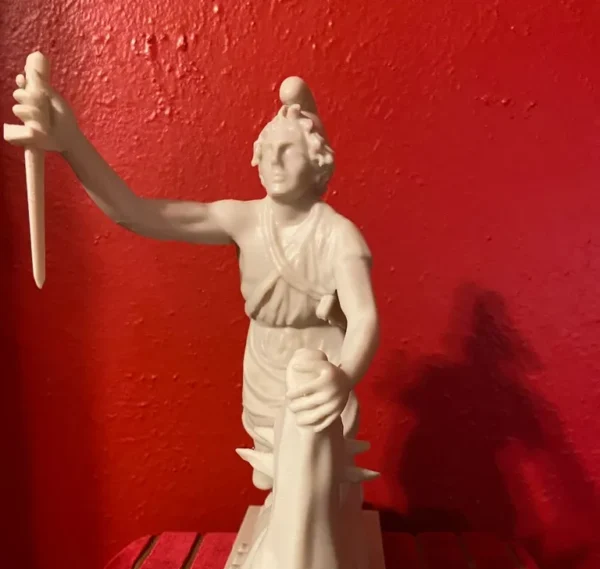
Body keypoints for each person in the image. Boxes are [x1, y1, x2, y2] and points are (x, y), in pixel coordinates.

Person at [7, 71, 379, 489]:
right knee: (270, 475)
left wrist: (343, 376)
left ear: (316, 160)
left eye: (289, 150)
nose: (275, 161)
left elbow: (363, 317)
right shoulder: (243, 220)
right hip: (264, 363)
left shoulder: (338, 235)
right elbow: (134, 213)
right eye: (269, 149)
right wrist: (72, 143)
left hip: (320, 365)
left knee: (323, 477)